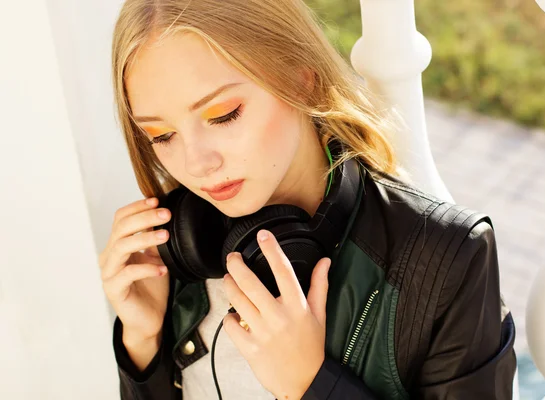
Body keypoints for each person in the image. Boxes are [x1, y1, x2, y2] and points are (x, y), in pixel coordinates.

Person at [100, 0, 517, 399]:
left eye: (224, 115)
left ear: (301, 75)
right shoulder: (178, 250)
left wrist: (311, 385)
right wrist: (143, 343)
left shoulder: (446, 258)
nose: (196, 164)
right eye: (162, 136)